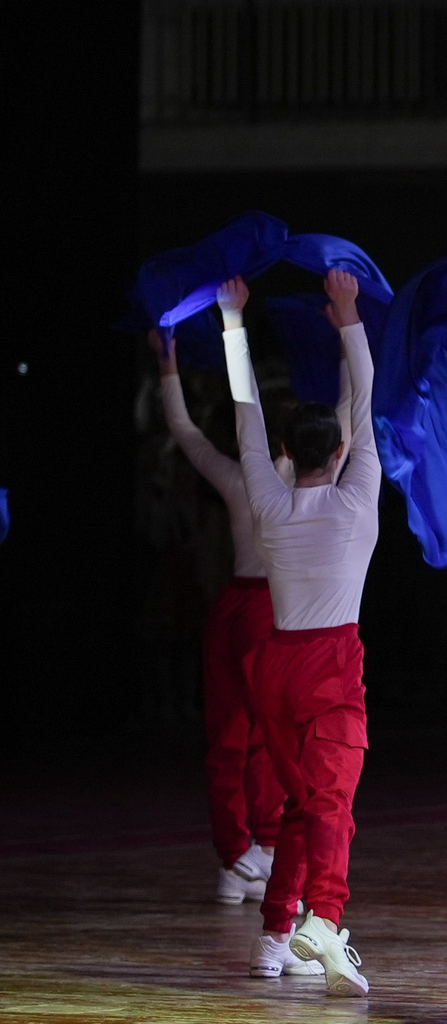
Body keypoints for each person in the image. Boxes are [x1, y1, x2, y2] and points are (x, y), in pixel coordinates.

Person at [222, 270, 379, 996]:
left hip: (273, 666)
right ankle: (327, 919)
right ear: (341, 452)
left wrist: (233, 323)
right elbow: (367, 397)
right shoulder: (356, 499)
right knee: (331, 808)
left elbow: (244, 415)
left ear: (288, 450)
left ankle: (276, 934)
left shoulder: (270, 504)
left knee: (298, 808)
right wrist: (348, 317)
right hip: (327, 664)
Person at [155, 328, 295, 906]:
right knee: (266, 737)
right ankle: (256, 848)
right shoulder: (310, 486)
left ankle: (237, 857)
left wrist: (166, 367)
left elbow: (186, 431)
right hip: (270, 610)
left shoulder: (240, 480)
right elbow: (350, 416)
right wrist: (347, 337)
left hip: (232, 609)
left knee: (228, 739)